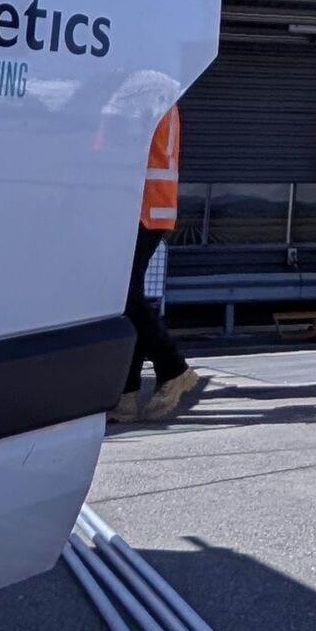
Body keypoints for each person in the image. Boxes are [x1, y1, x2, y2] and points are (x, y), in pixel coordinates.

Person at [114, 106, 205, 423]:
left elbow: (120, 145)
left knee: (127, 298)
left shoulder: (148, 96)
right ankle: (126, 396)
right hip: (147, 206)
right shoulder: (158, 93)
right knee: (129, 301)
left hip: (142, 207)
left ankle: (174, 368)